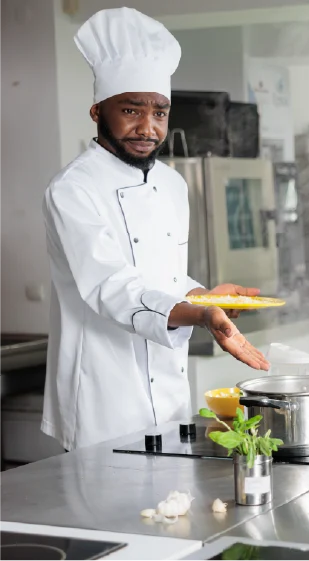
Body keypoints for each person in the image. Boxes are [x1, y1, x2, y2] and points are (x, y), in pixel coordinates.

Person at [42, 8, 270, 452]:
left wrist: (206, 297)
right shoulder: (72, 189)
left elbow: (163, 277)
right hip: (101, 395)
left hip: (167, 391)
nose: (147, 128)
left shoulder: (171, 183)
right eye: (130, 110)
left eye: (160, 113)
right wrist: (201, 316)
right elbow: (112, 287)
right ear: (96, 111)